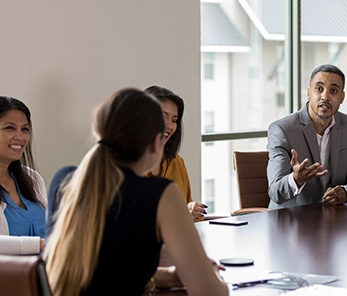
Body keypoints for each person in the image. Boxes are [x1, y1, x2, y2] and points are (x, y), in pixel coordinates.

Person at [43, 88, 228, 296]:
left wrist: (165, 275)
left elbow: (101, 268)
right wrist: (216, 276)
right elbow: (211, 293)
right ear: (156, 142)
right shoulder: (160, 193)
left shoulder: (64, 180)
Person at [267, 64, 347, 209]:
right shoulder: (282, 130)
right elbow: (275, 191)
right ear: (309, 93)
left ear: (342, 97)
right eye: (319, 89)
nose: (325, 97)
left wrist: (346, 192)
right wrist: (295, 180)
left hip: (333, 220)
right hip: (290, 221)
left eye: (333, 91)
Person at [144, 86, 207, 221]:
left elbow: (187, 211)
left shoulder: (177, 162)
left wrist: (191, 209)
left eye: (174, 120)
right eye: (162, 116)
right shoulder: (124, 165)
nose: (169, 125)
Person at [0, 96, 46, 255]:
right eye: (10, 128)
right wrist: (38, 245)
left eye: (24, 129)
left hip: (45, 275)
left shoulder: (32, 179)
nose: (20, 137)